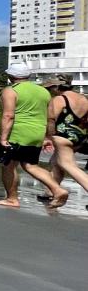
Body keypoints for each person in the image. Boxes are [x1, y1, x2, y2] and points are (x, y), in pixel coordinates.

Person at [0, 63, 66, 208]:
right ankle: (57, 190)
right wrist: (47, 137)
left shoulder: (10, 91)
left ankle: (12, 199)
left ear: (10, 76)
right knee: (31, 165)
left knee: (8, 165)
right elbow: (48, 116)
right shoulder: (43, 92)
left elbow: (8, 115)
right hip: (37, 133)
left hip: (16, 133)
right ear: (28, 76)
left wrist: (3, 138)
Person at [41, 74, 88, 205]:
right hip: (79, 136)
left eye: (50, 88)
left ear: (57, 87)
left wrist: (47, 138)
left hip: (62, 136)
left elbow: (50, 120)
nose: (50, 91)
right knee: (55, 162)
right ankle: (50, 192)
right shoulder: (83, 99)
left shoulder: (58, 99)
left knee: (68, 165)